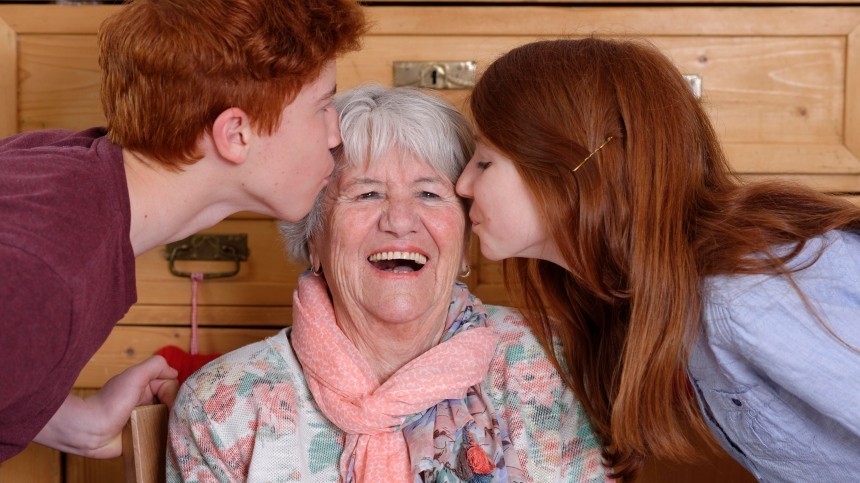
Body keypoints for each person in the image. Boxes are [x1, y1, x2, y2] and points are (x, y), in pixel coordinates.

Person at [454, 37, 860, 481]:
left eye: (486, 161)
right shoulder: (638, 299)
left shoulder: (743, 296)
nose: (462, 184)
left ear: (573, 169)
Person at [167, 85, 609, 482]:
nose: (400, 221)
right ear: (313, 239)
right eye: (367, 194)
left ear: (465, 239)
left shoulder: (553, 363)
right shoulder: (225, 406)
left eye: (430, 194)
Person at [0, 0, 366, 463]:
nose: (335, 136)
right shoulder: (45, 269)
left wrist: (75, 424)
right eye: (324, 106)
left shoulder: (69, 173)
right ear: (236, 133)